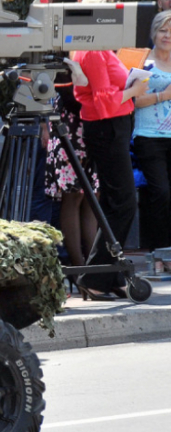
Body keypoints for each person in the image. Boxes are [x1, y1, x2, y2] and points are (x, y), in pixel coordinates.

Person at [73, 41, 149, 298]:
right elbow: (104, 102)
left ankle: (109, 274)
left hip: (112, 127)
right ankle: (95, 277)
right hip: (107, 127)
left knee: (114, 203)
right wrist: (134, 90)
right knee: (123, 203)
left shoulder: (100, 48)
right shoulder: (93, 50)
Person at [46, 69, 100, 270]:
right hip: (70, 126)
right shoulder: (65, 54)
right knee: (74, 195)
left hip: (96, 125)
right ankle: (79, 269)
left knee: (93, 196)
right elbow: (69, 96)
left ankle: (93, 268)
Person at [133, 11, 171, 252]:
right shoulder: (142, 60)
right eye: (163, 30)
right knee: (160, 192)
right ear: (154, 33)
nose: (167, 35)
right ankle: (158, 251)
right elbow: (132, 100)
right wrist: (164, 96)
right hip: (148, 136)